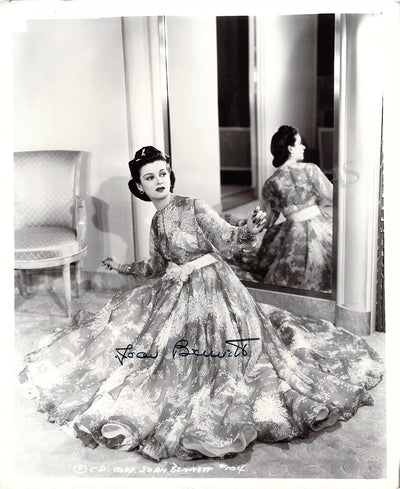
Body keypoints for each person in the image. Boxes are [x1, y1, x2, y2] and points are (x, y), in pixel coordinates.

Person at [19, 145, 383, 462]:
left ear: (170, 175)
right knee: (148, 351)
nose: (159, 181)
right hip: (178, 295)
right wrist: (123, 267)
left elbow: (228, 240)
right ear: (140, 187)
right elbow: (156, 266)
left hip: (218, 290)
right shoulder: (157, 222)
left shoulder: (194, 206)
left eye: (162, 173)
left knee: (228, 360)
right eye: (150, 177)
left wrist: (250, 230)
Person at [242, 125, 333, 292]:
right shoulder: (311, 169)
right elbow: (331, 195)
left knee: (279, 254)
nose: (304, 147)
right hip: (319, 224)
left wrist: (246, 225)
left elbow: (267, 219)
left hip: (294, 230)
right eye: (300, 143)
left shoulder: (272, 182)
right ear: (290, 149)